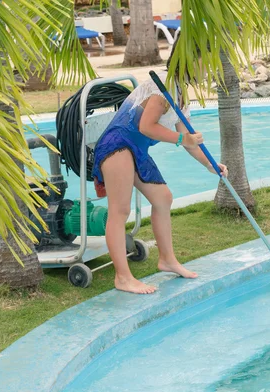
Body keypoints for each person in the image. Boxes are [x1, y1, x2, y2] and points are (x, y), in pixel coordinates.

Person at [92, 40, 228, 295]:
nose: (209, 71)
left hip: (136, 149)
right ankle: (122, 277)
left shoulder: (181, 92)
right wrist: (181, 139)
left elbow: (189, 139)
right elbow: (146, 126)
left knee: (163, 198)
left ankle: (167, 259)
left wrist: (211, 165)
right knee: (119, 210)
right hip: (118, 144)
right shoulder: (162, 85)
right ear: (189, 61)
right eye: (206, 64)